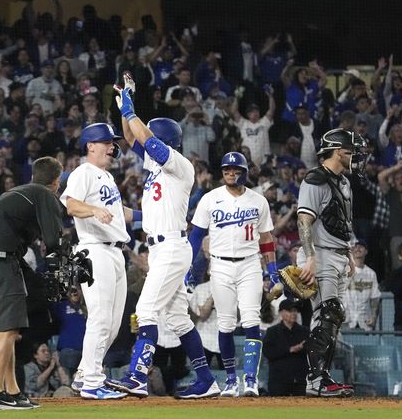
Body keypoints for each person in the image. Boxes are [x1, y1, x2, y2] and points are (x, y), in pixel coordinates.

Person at [107, 88, 219, 400]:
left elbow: (145, 139)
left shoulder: (180, 164)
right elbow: (133, 140)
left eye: (151, 136)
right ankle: (206, 380)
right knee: (177, 319)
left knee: (145, 311)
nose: (145, 141)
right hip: (161, 248)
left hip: (170, 248)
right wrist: (123, 105)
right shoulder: (157, 168)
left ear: (164, 139)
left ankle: (137, 376)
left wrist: (132, 110)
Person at [0, 155, 64, 409]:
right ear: (56, 182)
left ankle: (12, 391)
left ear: (34, 176)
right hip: (0, 259)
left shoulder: (19, 192)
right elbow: (54, 241)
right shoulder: (43, 194)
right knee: (9, 331)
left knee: (8, 332)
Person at [186, 151, 275, 397]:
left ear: (244, 173)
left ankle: (250, 379)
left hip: (249, 265)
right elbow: (195, 236)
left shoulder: (258, 201)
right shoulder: (210, 199)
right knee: (225, 324)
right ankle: (231, 380)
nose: (231, 174)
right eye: (227, 170)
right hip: (220, 265)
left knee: (251, 320)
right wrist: (187, 266)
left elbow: (266, 239)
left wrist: (272, 269)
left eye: (235, 170)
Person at [60, 122, 134, 401]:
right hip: (94, 250)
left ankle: (84, 374)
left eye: (113, 143)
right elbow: (70, 205)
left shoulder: (107, 177)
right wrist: (92, 210)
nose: (112, 147)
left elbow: (120, 213)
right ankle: (93, 381)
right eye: (106, 142)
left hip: (115, 251)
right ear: (90, 145)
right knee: (101, 317)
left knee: (113, 324)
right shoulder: (84, 171)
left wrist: (152, 216)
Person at [296, 128, 366, 397]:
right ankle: (316, 380)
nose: (356, 157)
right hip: (320, 254)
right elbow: (304, 220)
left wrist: (348, 252)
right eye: (352, 151)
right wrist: (310, 258)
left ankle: (321, 377)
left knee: (333, 316)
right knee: (328, 311)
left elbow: (341, 222)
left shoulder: (344, 182)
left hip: (337, 253)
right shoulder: (315, 180)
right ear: (338, 151)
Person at [262, 299, 309, 396]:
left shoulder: (304, 331)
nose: (294, 313)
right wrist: (290, 350)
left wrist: (302, 348)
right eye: (290, 311)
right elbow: (268, 352)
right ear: (281, 313)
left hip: (300, 380)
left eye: (295, 311)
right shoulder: (272, 332)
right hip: (278, 381)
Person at [344, 241, 380, 331]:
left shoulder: (371, 273)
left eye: (361, 246)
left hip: (364, 321)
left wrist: (374, 316)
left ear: (366, 251)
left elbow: (375, 298)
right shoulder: (344, 270)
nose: (357, 248)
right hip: (346, 320)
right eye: (355, 247)